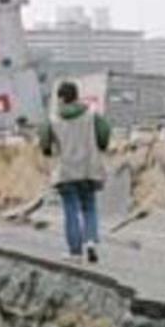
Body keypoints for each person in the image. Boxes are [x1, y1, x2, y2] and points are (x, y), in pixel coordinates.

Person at [39, 81, 110, 263]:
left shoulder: (53, 119)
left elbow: (45, 142)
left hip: (67, 171)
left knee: (71, 210)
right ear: (76, 96)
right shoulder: (92, 116)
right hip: (89, 168)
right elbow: (104, 135)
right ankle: (91, 241)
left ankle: (75, 252)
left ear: (61, 97)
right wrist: (99, 145)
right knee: (90, 208)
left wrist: (48, 150)